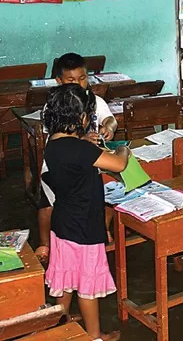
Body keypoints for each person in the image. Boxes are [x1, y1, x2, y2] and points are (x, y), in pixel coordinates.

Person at [42, 84, 128, 341]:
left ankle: (58, 329)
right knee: (88, 288)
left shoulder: (53, 146)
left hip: (62, 224)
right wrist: (125, 148)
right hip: (86, 227)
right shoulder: (83, 150)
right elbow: (119, 164)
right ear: (81, 118)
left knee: (64, 278)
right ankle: (94, 337)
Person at [36, 53, 118, 262]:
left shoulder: (94, 100)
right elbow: (58, 131)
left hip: (86, 162)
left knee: (103, 195)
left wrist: (108, 126)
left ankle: (101, 229)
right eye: (72, 80)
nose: (79, 84)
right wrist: (82, 137)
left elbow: (110, 118)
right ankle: (45, 243)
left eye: (83, 78)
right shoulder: (56, 104)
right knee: (48, 205)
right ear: (59, 81)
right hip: (59, 165)